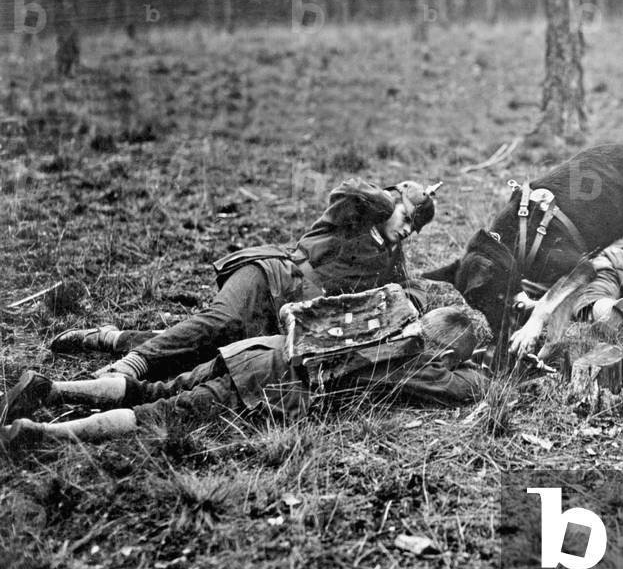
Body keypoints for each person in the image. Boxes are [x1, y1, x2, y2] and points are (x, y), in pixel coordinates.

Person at [50, 179, 440, 381]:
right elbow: (347, 190)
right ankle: (132, 364)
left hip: (285, 314)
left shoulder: (391, 255)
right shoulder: (355, 213)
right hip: (268, 278)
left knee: (212, 352)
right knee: (222, 323)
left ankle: (110, 338)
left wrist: (414, 300)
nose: (408, 230)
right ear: (390, 203)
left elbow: (413, 287)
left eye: (415, 228)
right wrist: (389, 199)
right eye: (406, 218)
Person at [2, 287, 488, 447]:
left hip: (256, 350)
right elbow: (469, 387)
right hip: (268, 385)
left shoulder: (392, 314)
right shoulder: (420, 365)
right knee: (162, 417)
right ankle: (42, 435)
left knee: (157, 390)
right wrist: (476, 364)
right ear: (447, 352)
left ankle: (52, 388)